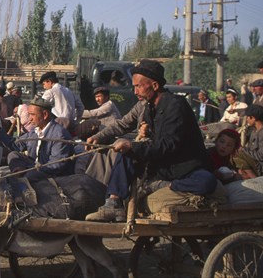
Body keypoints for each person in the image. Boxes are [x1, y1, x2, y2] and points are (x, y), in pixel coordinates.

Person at [85, 59, 214, 222]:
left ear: (154, 86)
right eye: (134, 86)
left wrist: (133, 144)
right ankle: (113, 203)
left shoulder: (176, 106)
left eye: (138, 86)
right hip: (164, 165)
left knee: (206, 182)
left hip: (184, 166)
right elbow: (124, 125)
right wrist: (100, 137)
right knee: (126, 154)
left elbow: (168, 145)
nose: (135, 91)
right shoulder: (146, 106)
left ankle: (163, 186)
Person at [0, 98, 74, 181]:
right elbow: (15, 144)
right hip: (35, 168)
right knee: (13, 155)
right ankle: (19, 174)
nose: (30, 118)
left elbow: (56, 166)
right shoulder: (35, 132)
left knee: (30, 176)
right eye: (29, 115)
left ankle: (22, 178)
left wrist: (27, 169)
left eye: (32, 114)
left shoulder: (59, 135)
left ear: (45, 115)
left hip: (53, 175)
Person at [232, 104, 263, 178]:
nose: (247, 120)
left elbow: (262, 156)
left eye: (248, 118)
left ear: (253, 118)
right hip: (259, 168)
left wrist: (243, 150)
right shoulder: (254, 131)